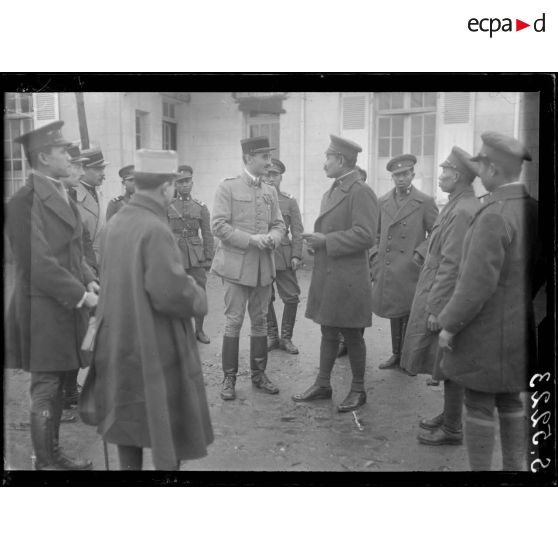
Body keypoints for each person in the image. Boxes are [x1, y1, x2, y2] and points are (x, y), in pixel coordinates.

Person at [92, 151, 213, 471]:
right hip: (156, 344)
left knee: (128, 425)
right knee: (170, 426)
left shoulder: (114, 224)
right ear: (165, 186)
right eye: (173, 183)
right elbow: (170, 294)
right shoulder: (155, 228)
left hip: (119, 340)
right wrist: (199, 297)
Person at [437, 132, 539, 470]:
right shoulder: (533, 208)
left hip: (485, 333)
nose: (478, 168)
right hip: (520, 329)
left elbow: (475, 285)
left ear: (493, 169)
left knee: (478, 403)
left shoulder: (494, 214)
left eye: (482, 163)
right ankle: (516, 470)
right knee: (511, 398)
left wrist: (449, 325)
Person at [5, 121, 98, 470]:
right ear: (44, 157)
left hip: (64, 305)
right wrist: (81, 295)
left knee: (60, 382)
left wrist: (88, 279)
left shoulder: (60, 191)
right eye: (62, 151)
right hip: (42, 309)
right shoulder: (22, 201)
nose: (68, 156)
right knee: (45, 386)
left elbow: (72, 250)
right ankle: (45, 463)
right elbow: (39, 265)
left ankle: (54, 455)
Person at [399, 146, 481, 445]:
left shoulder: (461, 210)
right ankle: (450, 416)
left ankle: (452, 430)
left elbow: (452, 264)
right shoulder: (458, 204)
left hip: (447, 300)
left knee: (451, 363)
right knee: (447, 362)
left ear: (457, 175)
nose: (440, 176)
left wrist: (437, 309)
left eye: (445, 171)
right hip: (447, 296)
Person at [293, 135, 378, 412]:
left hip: (349, 279)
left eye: (328, 158)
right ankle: (323, 384)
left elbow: (366, 236)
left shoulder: (360, 191)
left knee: (353, 335)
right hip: (331, 276)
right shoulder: (332, 191)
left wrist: (325, 241)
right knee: (328, 330)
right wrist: (318, 242)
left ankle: (358, 389)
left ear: (341, 160)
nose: (324, 164)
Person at [211, 136, 286, 401]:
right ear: (248, 159)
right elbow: (218, 226)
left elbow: (279, 224)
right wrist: (251, 239)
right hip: (235, 267)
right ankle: (229, 378)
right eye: (264, 157)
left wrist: (274, 237)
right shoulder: (227, 188)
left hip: (263, 268)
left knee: (260, 321)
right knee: (233, 322)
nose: (268, 162)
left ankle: (258, 374)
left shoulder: (270, 191)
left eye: (269, 157)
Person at [370, 154, 439, 372]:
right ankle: (397, 354)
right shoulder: (382, 201)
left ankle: (410, 359)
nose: (400, 179)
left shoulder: (424, 201)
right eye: (396, 175)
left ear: (413, 175)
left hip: (411, 267)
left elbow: (436, 233)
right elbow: (375, 233)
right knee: (394, 310)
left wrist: (419, 254)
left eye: (404, 174)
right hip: (389, 266)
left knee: (411, 313)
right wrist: (374, 256)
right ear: (392, 177)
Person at [168, 165, 214, 343]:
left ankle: (199, 330)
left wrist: (208, 257)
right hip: (175, 255)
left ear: (192, 183)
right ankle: (178, 332)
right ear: (175, 185)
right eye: (180, 182)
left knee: (199, 292)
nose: (185, 185)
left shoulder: (200, 207)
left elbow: (207, 234)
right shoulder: (168, 206)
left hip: (196, 256)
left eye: (187, 181)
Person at [264, 158, 304, 354]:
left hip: (283, 255)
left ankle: (286, 338)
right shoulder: (256, 198)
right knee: (264, 296)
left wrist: (296, 255)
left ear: (280, 177)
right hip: (261, 254)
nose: (271, 178)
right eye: (267, 174)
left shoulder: (289, 201)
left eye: (275, 175)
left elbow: (297, 230)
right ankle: (272, 336)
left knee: (291, 297)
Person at [73, 147, 108, 274]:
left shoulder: (98, 192)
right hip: (84, 266)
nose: (103, 174)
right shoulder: (72, 196)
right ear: (83, 169)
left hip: (101, 264)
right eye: (98, 169)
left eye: (103, 168)